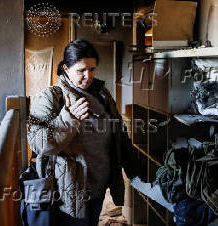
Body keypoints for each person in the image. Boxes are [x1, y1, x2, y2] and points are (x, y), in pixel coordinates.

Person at [27, 39, 138, 226]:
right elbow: (40, 144)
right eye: (81, 70)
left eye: (92, 69)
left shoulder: (102, 94)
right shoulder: (51, 97)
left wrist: (135, 168)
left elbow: (119, 134)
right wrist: (69, 118)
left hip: (99, 185)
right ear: (66, 68)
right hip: (68, 190)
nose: (88, 76)